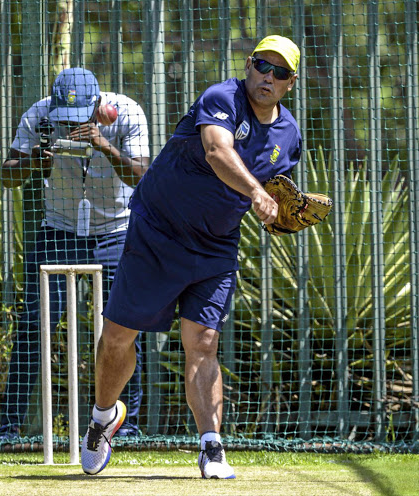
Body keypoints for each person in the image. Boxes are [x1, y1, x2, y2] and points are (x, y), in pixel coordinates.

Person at [80, 35, 302, 479]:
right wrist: (257, 192)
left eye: (279, 73)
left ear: (289, 84)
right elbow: (218, 152)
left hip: (216, 245)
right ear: (249, 66)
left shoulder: (289, 134)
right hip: (158, 231)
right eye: (262, 65)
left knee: (203, 342)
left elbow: (276, 193)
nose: (268, 77)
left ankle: (211, 447)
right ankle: (104, 416)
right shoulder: (222, 97)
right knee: (119, 337)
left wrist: (280, 211)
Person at [0, 68, 149, 441]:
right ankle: (9, 423)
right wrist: (34, 162)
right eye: (64, 119)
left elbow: (142, 175)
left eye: (78, 121)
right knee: (35, 322)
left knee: (123, 327)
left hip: (117, 231)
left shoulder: (126, 113)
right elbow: (8, 175)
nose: (69, 126)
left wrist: (104, 146)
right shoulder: (40, 114)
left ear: (98, 105)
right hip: (59, 227)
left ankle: (130, 424)